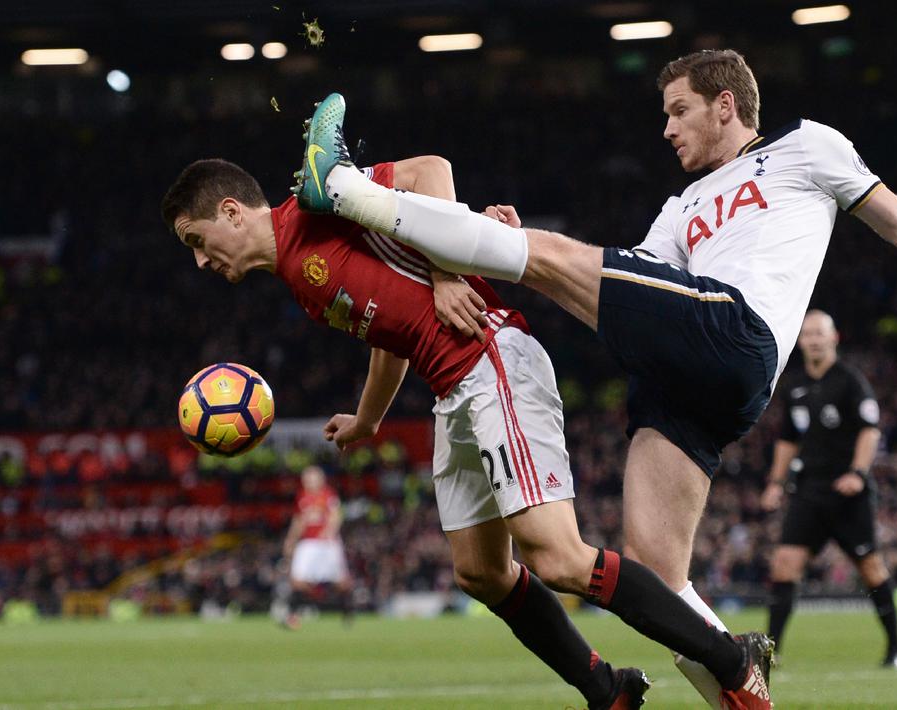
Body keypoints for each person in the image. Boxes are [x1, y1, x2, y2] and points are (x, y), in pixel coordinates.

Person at [293, 50, 897, 706]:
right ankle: (745, 693)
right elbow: (631, 283)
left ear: (724, 105)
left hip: (733, 331)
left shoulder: (807, 146)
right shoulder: (683, 205)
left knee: (553, 258)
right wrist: (501, 242)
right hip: (693, 376)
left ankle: (346, 187)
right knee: (657, 578)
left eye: (677, 111)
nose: (665, 129)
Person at [161, 152, 774, 710]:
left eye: (196, 240)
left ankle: (731, 660)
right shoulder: (300, 281)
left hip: (490, 356)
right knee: (480, 573)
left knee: (556, 556)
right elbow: (389, 336)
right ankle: (608, 690)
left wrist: (448, 270)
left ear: (231, 212)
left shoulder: (315, 206)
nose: (200, 261)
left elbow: (430, 170)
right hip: (451, 387)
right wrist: (368, 419)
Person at [760, 310, 897, 668]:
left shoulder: (850, 381)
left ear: (833, 337)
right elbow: (788, 440)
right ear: (800, 341)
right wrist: (776, 483)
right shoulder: (794, 386)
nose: (813, 340)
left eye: (819, 333)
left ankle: (896, 649)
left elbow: (870, 430)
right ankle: (770, 654)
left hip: (848, 494)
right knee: (784, 565)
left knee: (870, 567)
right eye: (807, 334)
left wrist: (857, 472)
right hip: (809, 490)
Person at [278, 465, 354, 628]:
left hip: (328, 543)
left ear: (321, 480)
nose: (308, 482)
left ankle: (347, 612)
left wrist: (329, 531)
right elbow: (299, 520)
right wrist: (291, 539)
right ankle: (293, 617)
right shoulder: (302, 496)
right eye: (306, 479)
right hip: (308, 542)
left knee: (341, 582)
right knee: (296, 580)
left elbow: (336, 515)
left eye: (311, 479)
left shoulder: (328, 495)